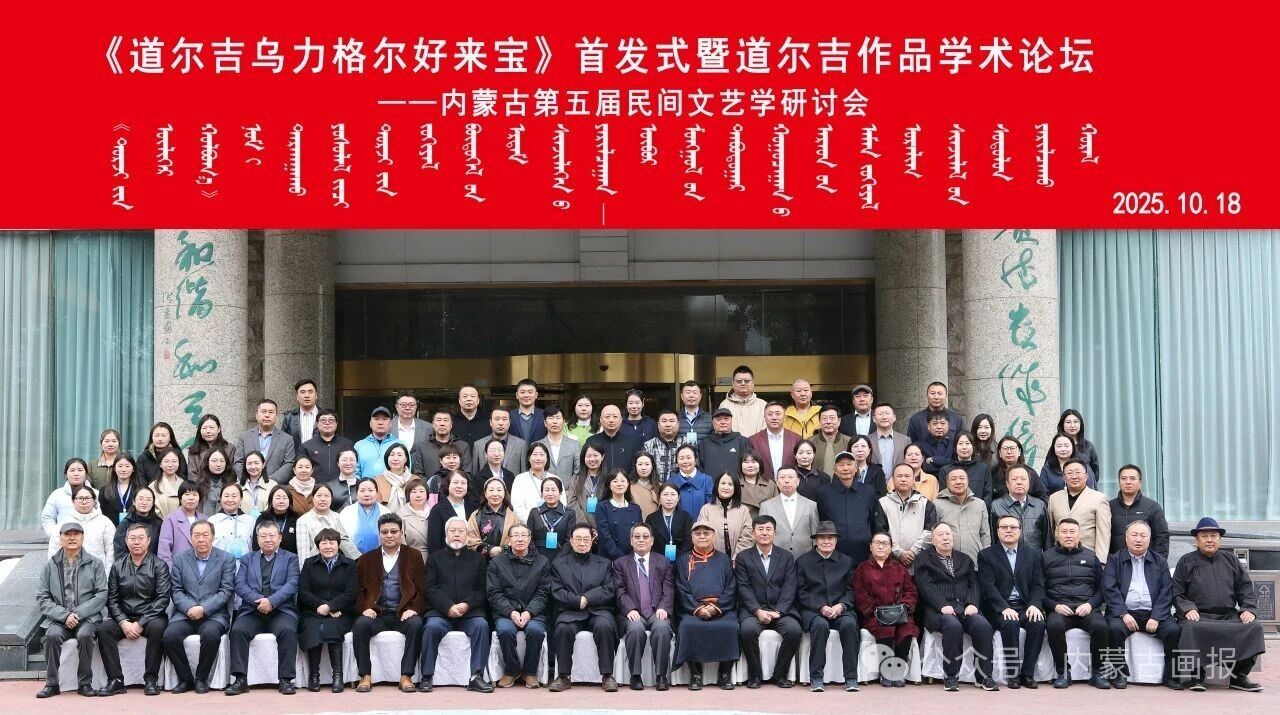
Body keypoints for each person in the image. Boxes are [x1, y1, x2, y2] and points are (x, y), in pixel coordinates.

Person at [1171, 517, 1265, 692]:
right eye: (1204, 536)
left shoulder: (1231, 560)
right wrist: (1187, 608)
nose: (1209, 540)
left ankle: (1239, 676)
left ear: (1219, 539)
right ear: (1197, 539)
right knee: (1191, 628)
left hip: (1227, 615)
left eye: (1213, 536)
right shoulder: (1186, 561)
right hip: (1198, 615)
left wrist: (1248, 609)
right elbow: (1177, 592)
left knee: (1254, 627)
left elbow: (1245, 589)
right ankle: (1197, 675)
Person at [913, 523, 998, 691]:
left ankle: (984, 676)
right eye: (940, 535)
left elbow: (974, 584)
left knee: (983, 626)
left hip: (965, 607)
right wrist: (942, 605)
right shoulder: (923, 559)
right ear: (933, 540)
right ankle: (951, 676)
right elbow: (925, 586)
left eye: (948, 534)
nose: (945, 538)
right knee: (952, 626)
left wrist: (972, 603)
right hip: (938, 610)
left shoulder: (965, 559)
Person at [352, 513, 427, 693]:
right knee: (360, 625)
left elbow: (422, 589)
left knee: (416, 625)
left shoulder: (414, 556)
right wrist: (365, 608)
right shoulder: (366, 559)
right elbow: (357, 590)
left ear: (401, 533)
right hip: (377, 613)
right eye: (384, 532)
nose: (389, 535)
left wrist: (414, 609)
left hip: (403, 613)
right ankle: (365, 676)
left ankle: (406, 676)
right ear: (379, 534)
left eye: (394, 531)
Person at [1102, 521, 1181, 689]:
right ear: (1126, 538)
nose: (1138, 539)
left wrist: (1156, 616)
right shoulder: (1115, 560)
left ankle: (1172, 676)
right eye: (1134, 535)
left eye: (1143, 535)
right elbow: (1109, 589)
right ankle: (1119, 674)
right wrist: (1123, 613)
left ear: (1149, 539)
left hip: (1153, 613)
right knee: (1114, 629)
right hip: (1124, 613)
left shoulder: (1159, 561)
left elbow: (1166, 591)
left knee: (1173, 631)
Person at [419, 516, 494, 693]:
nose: (457, 535)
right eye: (452, 531)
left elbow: (482, 589)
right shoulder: (435, 558)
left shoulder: (478, 559)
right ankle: (427, 677)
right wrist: (448, 607)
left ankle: (476, 676)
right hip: (441, 613)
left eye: (461, 531)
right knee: (431, 627)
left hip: (470, 613)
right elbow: (430, 588)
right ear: (446, 534)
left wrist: (467, 605)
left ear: (467, 535)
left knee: (482, 626)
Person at [35, 522, 109, 699]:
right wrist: (64, 616)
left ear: (82, 538)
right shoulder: (51, 565)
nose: (72, 538)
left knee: (85, 635)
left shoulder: (95, 563)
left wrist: (78, 614)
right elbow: (42, 598)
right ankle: (52, 684)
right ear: (60, 538)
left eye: (76, 534)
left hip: (87, 618)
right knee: (51, 636)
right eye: (67, 534)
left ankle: (85, 683)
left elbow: (101, 594)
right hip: (59, 619)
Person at [224, 521, 300, 695]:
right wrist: (259, 601)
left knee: (288, 631)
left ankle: (286, 679)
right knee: (238, 630)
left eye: (272, 536)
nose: (268, 540)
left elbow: (292, 584)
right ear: (257, 539)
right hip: (252, 610)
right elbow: (239, 584)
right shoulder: (247, 559)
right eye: (263, 536)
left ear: (280, 538)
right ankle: (240, 679)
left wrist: (271, 601)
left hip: (281, 610)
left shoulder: (291, 558)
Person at [97, 522, 171, 696]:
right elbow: (112, 599)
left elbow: (162, 599)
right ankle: (116, 680)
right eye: (133, 538)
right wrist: (123, 622)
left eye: (141, 538)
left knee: (158, 628)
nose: (136, 542)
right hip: (124, 616)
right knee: (103, 630)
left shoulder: (159, 565)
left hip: (151, 617)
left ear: (148, 541)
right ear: (126, 541)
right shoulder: (117, 566)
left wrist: (140, 623)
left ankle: (151, 679)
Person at [163, 519, 236, 694]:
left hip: (214, 614)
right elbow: (176, 590)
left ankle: (201, 678)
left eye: (205, 535)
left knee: (211, 635)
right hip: (185, 613)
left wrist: (203, 609)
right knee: (169, 636)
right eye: (197, 535)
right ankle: (186, 679)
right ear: (191, 538)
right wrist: (190, 608)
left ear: (213, 537)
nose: (201, 539)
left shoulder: (226, 559)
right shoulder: (180, 559)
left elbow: (226, 591)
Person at [547, 523, 620, 693]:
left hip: (598, 610)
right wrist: (575, 601)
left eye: (586, 539)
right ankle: (563, 676)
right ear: (571, 541)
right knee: (563, 628)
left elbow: (609, 589)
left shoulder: (604, 563)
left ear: (592, 540)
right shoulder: (559, 564)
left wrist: (587, 599)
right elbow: (556, 591)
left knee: (605, 626)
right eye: (578, 539)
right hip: (570, 611)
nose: (582, 543)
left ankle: (607, 676)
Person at [978, 515, 1046, 689]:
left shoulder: (1033, 554)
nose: (1009, 530)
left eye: (1013, 527)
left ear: (1020, 531)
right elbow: (988, 587)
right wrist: (1004, 608)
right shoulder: (986, 555)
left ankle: (1028, 674)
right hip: (998, 608)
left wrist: (1034, 605)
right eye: (1004, 527)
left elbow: (1038, 584)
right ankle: (1013, 674)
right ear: (997, 531)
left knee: (1038, 622)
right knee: (1010, 622)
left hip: (1024, 606)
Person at [1042, 518, 1110, 689]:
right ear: (1057, 534)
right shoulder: (1046, 557)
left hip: (1086, 608)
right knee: (1054, 625)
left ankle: (1097, 672)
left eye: (1072, 532)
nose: (1068, 535)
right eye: (1064, 532)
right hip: (1059, 608)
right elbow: (1038, 590)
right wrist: (1054, 606)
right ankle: (1063, 672)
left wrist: (1090, 604)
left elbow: (1103, 589)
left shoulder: (1091, 556)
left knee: (1101, 626)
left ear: (1079, 535)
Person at [736, 515, 802, 689]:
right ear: (753, 533)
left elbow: (790, 586)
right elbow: (743, 587)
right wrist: (757, 611)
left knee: (794, 631)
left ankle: (780, 674)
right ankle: (755, 675)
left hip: (780, 610)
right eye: (760, 529)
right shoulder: (743, 557)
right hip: (753, 610)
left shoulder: (786, 557)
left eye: (768, 529)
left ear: (774, 533)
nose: (764, 533)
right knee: (747, 631)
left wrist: (779, 611)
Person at [673, 520, 740, 691]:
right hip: (693, 609)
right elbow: (681, 589)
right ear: (692, 537)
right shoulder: (683, 560)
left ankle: (724, 673)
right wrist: (698, 609)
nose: (702, 536)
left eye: (706, 533)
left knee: (731, 627)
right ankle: (695, 674)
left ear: (713, 536)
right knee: (687, 626)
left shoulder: (724, 559)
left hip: (721, 608)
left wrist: (716, 608)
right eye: (698, 533)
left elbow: (731, 588)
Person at [796, 520, 859, 691]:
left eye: (830, 538)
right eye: (822, 538)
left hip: (841, 608)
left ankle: (851, 677)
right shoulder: (803, 561)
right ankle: (816, 677)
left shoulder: (846, 561)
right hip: (813, 610)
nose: (826, 541)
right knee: (820, 626)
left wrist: (841, 606)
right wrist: (820, 607)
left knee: (849, 624)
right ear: (815, 540)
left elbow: (851, 590)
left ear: (836, 541)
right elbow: (801, 592)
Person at [488, 523, 552, 689]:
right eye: (516, 535)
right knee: (505, 630)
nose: (520, 539)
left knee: (536, 631)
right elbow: (494, 593)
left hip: (534, 612)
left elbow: (543, 592)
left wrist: (530, 612)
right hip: (505, 612)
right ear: (508, 540)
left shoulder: (542, 562)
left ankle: (530, 672)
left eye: (524, 535)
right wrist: (510, 612)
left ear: (530, 539)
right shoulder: (497, 563)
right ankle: (512, 670)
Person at [612, 523, 674, 691]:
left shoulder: (663, 562)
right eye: (637, 537)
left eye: (645, 537)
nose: (641, 540)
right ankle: (635, 675)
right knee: (635, 629)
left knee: (662, 628)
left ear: (652, 541)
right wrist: (629, 609)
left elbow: (668, 589)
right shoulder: (620, 564)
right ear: (631, 541)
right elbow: (619, 591)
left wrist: (664, 607)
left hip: (656, 611)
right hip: (632, 612)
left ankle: (661, 676)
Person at [853, 532, 918, 688]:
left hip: (899, 613)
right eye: (877, 543)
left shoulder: (899, 568)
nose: (881, 546)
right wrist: (875, 610)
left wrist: (904, 606)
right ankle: (886, 671)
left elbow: (911, 591)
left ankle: (899, 670)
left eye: (885, 543)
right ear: (871, 547)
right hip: (874, 615)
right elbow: (859, 594)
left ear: (890, 548)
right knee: (886, 629)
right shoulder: (862, 569)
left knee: (907, 629)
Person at [298, 527, 357, 692]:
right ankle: (314, 675)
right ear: (318, 546)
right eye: (324, 543)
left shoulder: (350, 564)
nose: (328, 546)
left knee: (331, 627)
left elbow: (351, 592)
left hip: (341, 611)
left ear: (338, 544)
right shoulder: (309, 563)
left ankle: (337, 676)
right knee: (313, 628)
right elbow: (303, 591)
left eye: (332, 542)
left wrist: (331, 606)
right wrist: (322, 606)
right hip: (314, 610)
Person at [816, 451, 884, 564]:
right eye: (841, 465)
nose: (845, 468)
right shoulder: (824, 492)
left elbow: (874, 521)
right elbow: (822, 519)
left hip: (863, 552)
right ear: (835, 470)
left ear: (856, 468)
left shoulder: (868, 491)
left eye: (849, 464)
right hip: (834, 552)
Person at [876, 463, 938, 572]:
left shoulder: (925, 504)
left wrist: (913, 551)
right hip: (890, 563)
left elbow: (930, 531)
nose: (903, 479)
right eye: (899, 476)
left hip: (919, 563)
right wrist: (897, 552)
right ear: (892, 479)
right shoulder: (882, 503)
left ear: (913, 479)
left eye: (907, 476)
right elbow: (880, 531)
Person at [1046, 459, 1111, 556]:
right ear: (1064, 477)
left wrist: (1100, 560)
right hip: (1059, 556)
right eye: (1069, 473)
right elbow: (1050, 530)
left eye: (1078, 472)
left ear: (1086, 476)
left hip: (1087, 556)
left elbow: (1103, 534)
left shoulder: (1099, 499)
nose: (1074, 476)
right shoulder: (1054, 498)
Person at [1108, 464, 1170, 558]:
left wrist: (1158, 562)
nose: (1128, 482)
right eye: (1123, 478)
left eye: (1132, 478)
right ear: (1119, 482)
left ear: (1140, 483)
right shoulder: (1109, 506)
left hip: (1145, 562)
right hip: (1115, 562)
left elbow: (1162, 537)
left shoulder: (1152, 506)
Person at [934, 466, 991, 562]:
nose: (958, 482)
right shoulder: (937, 504)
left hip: (975, 560)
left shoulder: (979, 504)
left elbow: (985, 534)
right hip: (947, 562)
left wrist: (986, 558)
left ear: (968, 481)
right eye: (953, 479)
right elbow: (933, 534)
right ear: (947, 483)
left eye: (962, 478)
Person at [48, 484, 115, 564]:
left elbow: (111, 552)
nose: (84, 502)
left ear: (94, 501)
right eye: (80, 498)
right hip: (70, 569)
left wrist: (106, 572)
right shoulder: (64, 523)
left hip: (98, 570)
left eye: (87, 498)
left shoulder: (105, 522)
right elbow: (54, 550)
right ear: (73, 501)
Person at [759, 466, 819, 557]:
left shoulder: (811, 505)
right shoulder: (766, 506)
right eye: (782, 477)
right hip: (776, 556)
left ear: (798, 481)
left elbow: (815, 535)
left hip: (805, 557)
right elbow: (762, 535)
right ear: (777, 482)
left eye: (790, 477)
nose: (786, 481)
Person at [233, 399, 296, 484]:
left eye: (271, 412)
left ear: (276, 416)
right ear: (256, 415)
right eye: (263, 411)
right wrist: (249, 480)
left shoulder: (287, 439)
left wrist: (269, 482)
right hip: (249, 485)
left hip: (275, 487)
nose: (267, 415)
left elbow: (289, 464)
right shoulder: (244, 437)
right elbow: (238, 462)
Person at [300, 409, 356, 503]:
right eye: (323, 420)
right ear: (317, 424)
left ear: (336, 423)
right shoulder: (307, 446)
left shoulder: (347, 444)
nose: (327, 423)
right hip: (316, 492)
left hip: (342, 494)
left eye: (331, 420)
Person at [989, 464, 1050, 550]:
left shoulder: (1039, 505)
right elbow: (992, 538)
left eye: (1023, 479)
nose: (1019, 482)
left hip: (1035, 556)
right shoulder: (996, 506)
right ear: (1007, 483)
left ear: (1029, 483)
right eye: (1014, 479)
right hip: (1004, 556)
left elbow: (1047, 538)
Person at [297, 483, 362, 561]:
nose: (323, 499)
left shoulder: (339, 517)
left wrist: (360, 561)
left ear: (331, 499)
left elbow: (345, 543)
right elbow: (303, 550)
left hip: (338, 564)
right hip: (315, 564)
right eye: (319, 496)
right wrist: (305, 567)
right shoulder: (303, 520)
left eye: (326, 496)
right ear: (313, 499)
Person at [697, 473, 755, 558]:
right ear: (717, 486)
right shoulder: (706, 509)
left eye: (730, 484)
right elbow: (702, 536)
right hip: (712, 560)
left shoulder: (743, 510)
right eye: (723, 483)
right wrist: (714, 559)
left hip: (739, 560)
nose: (726, 487)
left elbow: (748, 536)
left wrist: (737, 557)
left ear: (735, 488)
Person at [596, 469, 643, 561]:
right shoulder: (602, 507)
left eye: (622, 481)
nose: (619, 484)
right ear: (609, 485)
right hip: (608, 558)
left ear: (628, 484)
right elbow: (605, 537)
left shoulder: (636, 508)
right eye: (615, 481)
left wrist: (631, 557)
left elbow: (639, 534)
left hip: (632, 558)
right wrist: (621, 558)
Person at [467, 476, 519, 559]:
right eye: (491, 490)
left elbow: (517, 537)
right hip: (480, 560)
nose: (495, 494)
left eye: (499, 490)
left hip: (506, 560)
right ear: (485, 493)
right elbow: (471, 539)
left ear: (504, 493)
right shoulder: (475, 515)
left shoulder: (513, 517)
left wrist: (502, 549)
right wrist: (489, 550)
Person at [527, 476, 578, 559]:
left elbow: (569, 540)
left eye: (554, 490)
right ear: (542, 493)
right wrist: (538, 558)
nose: (550, 493)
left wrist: (559, 558)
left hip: (561, 558)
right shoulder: (535, 512)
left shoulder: (569, 513)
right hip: (538, 557)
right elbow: (529, 538)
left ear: (560, 492)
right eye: (547, 490)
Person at [158, 479, 204, 566]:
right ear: (180, 498)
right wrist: (171, 572)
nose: (191, 498)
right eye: (187, 494)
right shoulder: (170, 520)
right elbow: (164, 552)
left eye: (195, 494)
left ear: (199, 498)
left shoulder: (205, 520)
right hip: (178, 570)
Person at [471, 407, 527, 477]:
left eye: (504, 419)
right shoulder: (479, 445)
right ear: (490, 422)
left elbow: (524, 475)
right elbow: (474, 475)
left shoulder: (521, 445)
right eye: (497, 419)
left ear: (509, 422)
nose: (500, 423)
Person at [750, 402, 800, 480]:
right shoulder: (753, 440)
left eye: (778, 414)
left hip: (789, 484)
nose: (774, 417)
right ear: (764, 417)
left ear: (784, 417)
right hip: (763, 484)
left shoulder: (796, 439)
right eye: (770, 414)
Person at [428, 470, 476, 553]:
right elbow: (434, 543)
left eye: (463, 483)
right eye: (455, 482)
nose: (459, 486)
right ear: (448, 485)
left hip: (470, 557)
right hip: (445, 557)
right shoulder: (437, 510)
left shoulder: (473, 508)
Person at [43, 458, 92, 537]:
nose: (76, 474)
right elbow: (47, 518)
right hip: (63, 540)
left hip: (90, 540)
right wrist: (56, 535)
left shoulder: (96, 494)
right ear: (66, 474)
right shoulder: (56, 495)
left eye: (80, 470)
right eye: (72, 470)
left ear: (86, 474)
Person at [585, 404, 640, 475]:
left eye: (615, 417)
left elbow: (636, 468)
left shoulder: (632, 442)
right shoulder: (592, 441)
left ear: (621, 420)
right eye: (607, 417)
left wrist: (625, 481)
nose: (611, 420)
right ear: (601, 420)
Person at [340, 478, 390, 555]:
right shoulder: (346, 512)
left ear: (377, 493)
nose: (366, 494)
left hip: (380, 557)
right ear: (356, 493)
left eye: (370, 490)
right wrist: (356, 557)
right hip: (352, 558)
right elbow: (342, 538)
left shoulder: (386, 512)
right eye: (362, 491)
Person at [943, 431, 994, 505]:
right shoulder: (945, 470)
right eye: (960, 443)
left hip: (978, 510)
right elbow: (944, 497)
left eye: (967, 443)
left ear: (973, 447)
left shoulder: (983, 469)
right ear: (955, 447)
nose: (964, 447)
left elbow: (988, 496)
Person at [699, 407, 751, 479]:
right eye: (718, 419)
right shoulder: (704, 443)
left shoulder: (742, 441)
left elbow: (748, 466)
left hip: (735, 485)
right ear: (713, 423)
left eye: (726, 419)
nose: (723, 422)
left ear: (731, 421)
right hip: (710, 485)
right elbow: (700, 468)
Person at [647, 482, 693, 560]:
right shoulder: (651, 518)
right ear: (659, 497)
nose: (669, 498)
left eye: (673, 494)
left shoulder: (686, 517)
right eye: (665, 494)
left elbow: (688, 542)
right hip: (657, 561)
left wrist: (680, 560)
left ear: (678, 498)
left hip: (681, 560)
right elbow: (649, 542)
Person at [208, 482, 255, 559]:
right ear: (220, 498)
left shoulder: (250, 521)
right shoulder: (212, 521)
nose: (230, 500)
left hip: (244, 565)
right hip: (218, 565)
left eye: (234, 496)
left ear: (241, 499)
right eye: (226, 496)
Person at [992, 436, 1047, 501]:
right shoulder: (993, 473)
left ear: (1019, 452)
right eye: (1005, 448)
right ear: (1000, 453)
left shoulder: (1030, 473)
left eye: (1012, 448)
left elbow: (1042, 498)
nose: (1009, 452)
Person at [534, 403, 579, 482]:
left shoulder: (574, 445)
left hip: (568, 489)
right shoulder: (536, 446)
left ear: (564, 422)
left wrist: (571, 489)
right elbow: (534, 472)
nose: (554, 421)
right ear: (545, 423)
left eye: (558, 418)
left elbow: (578, 472)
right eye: (551, 418)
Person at [99, 454, 146, 528]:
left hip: (136, 530)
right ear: (114, 468)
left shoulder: (141, 490)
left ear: (133, 469)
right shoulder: (104, 491)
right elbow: (103, 515)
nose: (123, 470)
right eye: (120, 466)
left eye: (127, 466)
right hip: (111, 530)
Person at [114, 486, 162, 557]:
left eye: (148, 500)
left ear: (153, 503)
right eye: (141, 499)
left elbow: (163, 550)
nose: (144, 503)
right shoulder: (125, 524)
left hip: (155, 563)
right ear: (134, 501)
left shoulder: (159, 524)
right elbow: (120, 552)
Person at [667, 444, 713, 517]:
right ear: (677, 463)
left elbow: (712, 507)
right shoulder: (671, 482)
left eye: (689, 457)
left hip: (702, 523)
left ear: (696, 460)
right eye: (681, 458)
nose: (685, 461)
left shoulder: (707, 480)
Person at [511, 442, 553, 522]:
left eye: (542, 454)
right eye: (534, 454)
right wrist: (534, 522)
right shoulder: (520, 479)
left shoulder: (555, 479)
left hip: (552, 524)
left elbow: (562, 504)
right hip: (527, 525)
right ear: (529, 458)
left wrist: (550, 522)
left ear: (547, 458)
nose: (538, 458)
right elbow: (517, 507)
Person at [719, 364, 767, 436]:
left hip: (757, 443)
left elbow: (767, 432)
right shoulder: (725, 405)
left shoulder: (763, 405)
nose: (743, 384)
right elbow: (721, 431)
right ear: (733, 383)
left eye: (747, 381)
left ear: (753, 383)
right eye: (739, 381)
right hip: (732, 443)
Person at [355, 406, 400, 479]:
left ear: (391, 423)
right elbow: (354, 472)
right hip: (366, 485)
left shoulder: (399, 445)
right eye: (376, 419)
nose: (380, 423)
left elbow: (406, 472)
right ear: (370, 423)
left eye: (384, 419)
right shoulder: (359, 445)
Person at [253, 484, 301, 554]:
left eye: (284, 498)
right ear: (271, 501)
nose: (281, 501)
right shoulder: (263, 518)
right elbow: (256, 544)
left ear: (290, 501)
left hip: (291, 559)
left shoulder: (297, 518)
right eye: (278, 498)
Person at [279, 378, 324, 451]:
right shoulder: (289, 417)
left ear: (316, 395)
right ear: (297, 397)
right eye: (302, 392)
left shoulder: (325, 415)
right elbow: (283, 442)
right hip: (296, 457)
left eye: (310, 392)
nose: (306, 395)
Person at [390, 393, 429, 474]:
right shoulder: (388, 426)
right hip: (393, 473)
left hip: (419, 474)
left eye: (411, 405)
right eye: (403, 405)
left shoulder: (428, 428)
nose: (407, 408)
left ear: (416, 407)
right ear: (397, 407)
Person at [808, 406, 851, 478]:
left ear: (839, 421)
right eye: (824, 418)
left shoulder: (849, 442)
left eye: (832, 418)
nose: (828, 422)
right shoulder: (810, 443)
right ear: (819, 421)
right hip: (817, 483)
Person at [643, 409, 684, 480]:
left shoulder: (686, 444)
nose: (668, 425)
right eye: (664, 421)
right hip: (655, 486)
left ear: (678, 424)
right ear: (658, 425)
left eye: (671, 421)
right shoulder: (648, 446)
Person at [1058, 409, 1100, 478]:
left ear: (1081, 424)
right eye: (1068, 422)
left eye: (1075, 422)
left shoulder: (1088, 446)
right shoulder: (1057, 446)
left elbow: (1095, 472)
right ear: (1062, 425)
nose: (1072, 425)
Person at [868, 402, 909, 472]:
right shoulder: (867, 440)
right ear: (874, 419)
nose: (884, 417)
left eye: (887, 413)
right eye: (880, 414)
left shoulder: (905, 440)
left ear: (894, 418)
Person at [374, 443, 415, 512]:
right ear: (387, 458)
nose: (395, 458)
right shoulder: (377, 481)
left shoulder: (414, 480)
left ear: (406, 459)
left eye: (399, 455)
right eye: (392, 455)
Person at [914, 411, 957, 478]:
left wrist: (933, 459)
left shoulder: (954, 445)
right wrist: (946, 462)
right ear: (929, 426)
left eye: (943, 423)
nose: (939, 427)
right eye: (935, 423)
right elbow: (922, 468)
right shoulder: (918, 446)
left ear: (948, 426)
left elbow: (956, 464)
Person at [195, 446, 234, 516]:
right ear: (207, 462)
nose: (218, 464)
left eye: (222, 461)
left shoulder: (232, 483)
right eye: (214, 461)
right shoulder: (198, 484)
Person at [737, 450, 779, 515]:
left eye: (754, 462)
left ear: (760, 464)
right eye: (746, 462)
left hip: (766, 520)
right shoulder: (735, 485)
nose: (750, 465)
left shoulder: (770, 484)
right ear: (740, 465)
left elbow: (777, 508)